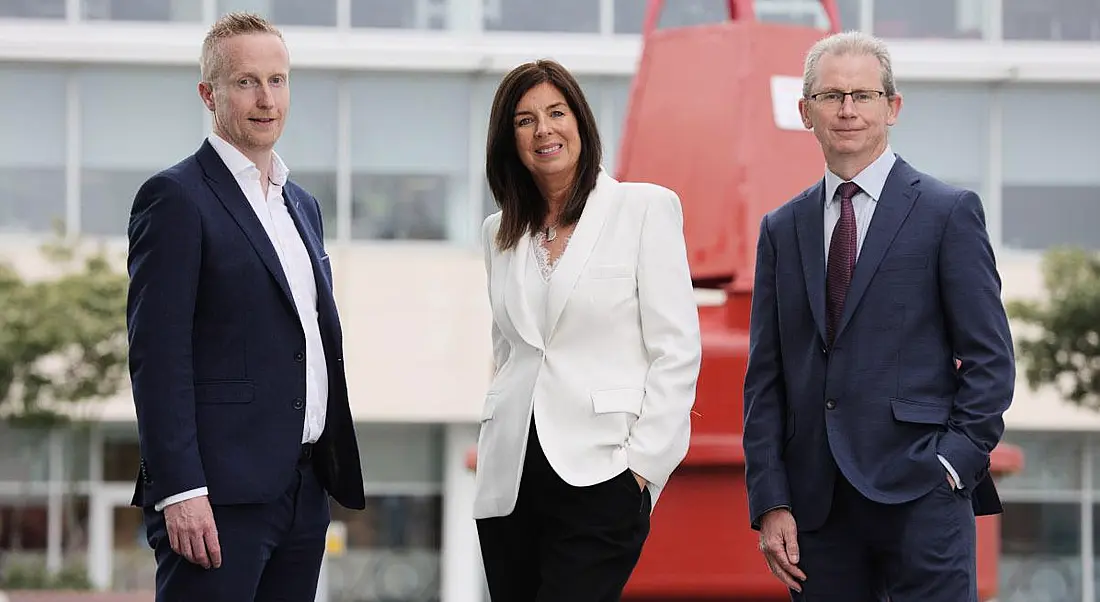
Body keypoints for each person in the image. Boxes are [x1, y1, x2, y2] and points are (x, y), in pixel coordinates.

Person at [742, 31, 1015, 602]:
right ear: (804, 112)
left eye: (863, 95)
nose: (847, 110)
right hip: (816, 509)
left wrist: (954, 466)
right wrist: (770, 500)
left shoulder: (947, 213)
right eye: (830, 96)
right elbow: (766, 379)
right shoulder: (781, 229)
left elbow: (990, 360)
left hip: (922, 493)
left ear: (892, 107)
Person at [125, 12, 365, 601]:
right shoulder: (176, 197)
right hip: (216, 498)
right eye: (246, 82)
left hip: (304, 491)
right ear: (209, 94)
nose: (266, 99)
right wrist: (180, 489)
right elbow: (158, 357)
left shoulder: (301, 205)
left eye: (277, 81)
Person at [474, 59, 703, 601]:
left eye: (557, 112)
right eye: (525, 120)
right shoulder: (497, 232)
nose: (544, 130)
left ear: (581, 121)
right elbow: (507, 351)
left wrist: (643, 470)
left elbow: (676, 349)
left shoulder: (644, 208)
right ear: (510, 140)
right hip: (510, 477)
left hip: (603, 472)